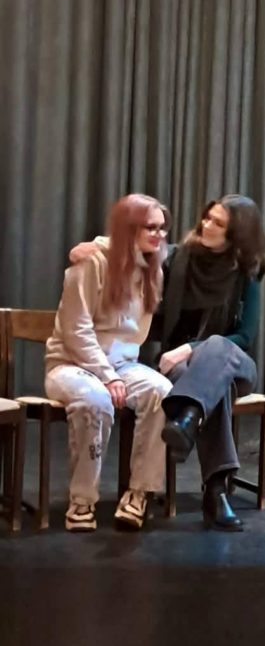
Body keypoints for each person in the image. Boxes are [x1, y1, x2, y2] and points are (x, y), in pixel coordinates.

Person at [71, 195, 265, 531]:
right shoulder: (176, 258)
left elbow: (244, 336)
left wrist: (189, 349)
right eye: (207, 217)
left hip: (233, 365)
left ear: (237, 234)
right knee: (213, 390)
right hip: (185, 374)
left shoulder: (246, 274)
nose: (206, 224)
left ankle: (188, 418)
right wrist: (93, 246)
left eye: (218, 223)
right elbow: (129, 250)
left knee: (217, 346)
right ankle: (215, 488)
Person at [45, 194, 173, 531]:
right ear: (129, 228)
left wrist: (115, 372)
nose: (159, 235)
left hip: (122, 366)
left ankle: (138, 494)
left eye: (162, 228)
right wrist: (106, 375)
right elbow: (76, 330)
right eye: (150, 228)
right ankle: (82, 500)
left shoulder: (153, 270)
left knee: (161, 391)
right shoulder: (91, 263)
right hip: (71, 364)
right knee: (95, 400)